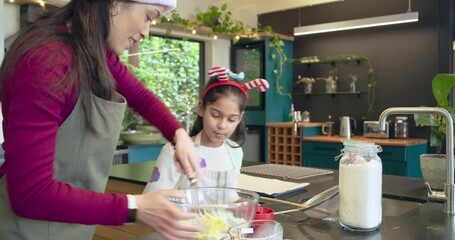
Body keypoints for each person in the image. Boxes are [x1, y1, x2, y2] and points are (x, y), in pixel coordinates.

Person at [0, 1, 203, 239]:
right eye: (149, 16)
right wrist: (136, 207)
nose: (146, 32)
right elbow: (31, 194)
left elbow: (141, 97)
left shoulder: (87, 48)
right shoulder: (48, 59)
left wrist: (179, 134)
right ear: (115, 3)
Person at [143, 66, 269, 192]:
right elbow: (151, 200)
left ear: (240, 118)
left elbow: (230, 196)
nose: (222, 125)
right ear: (201, 108)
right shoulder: (174, 151)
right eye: (215, 115)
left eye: (231, 119)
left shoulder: (235, 152)